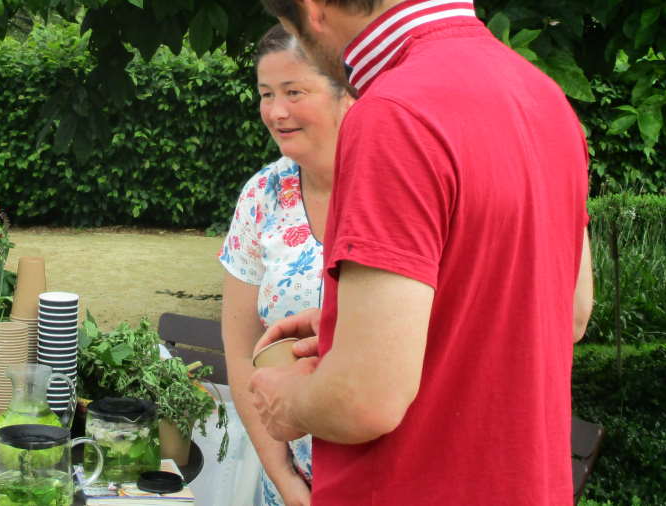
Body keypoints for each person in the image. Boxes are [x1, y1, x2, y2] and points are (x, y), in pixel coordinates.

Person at [247, 0, 594, 504]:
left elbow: (364, 400)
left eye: (289, 27)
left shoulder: (391, 113)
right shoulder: (544, 96)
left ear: (311, 9)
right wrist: (365, 325)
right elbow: (571, 311)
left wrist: (288, 403)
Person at [218, 24, 354, 506]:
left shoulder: (391, 187)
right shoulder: (262, 196)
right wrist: (284, 481)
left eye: (294, 92)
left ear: (346, 93)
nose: (276, 112)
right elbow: (240, 354)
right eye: (266, 93)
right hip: (291, 486)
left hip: (387, 480)